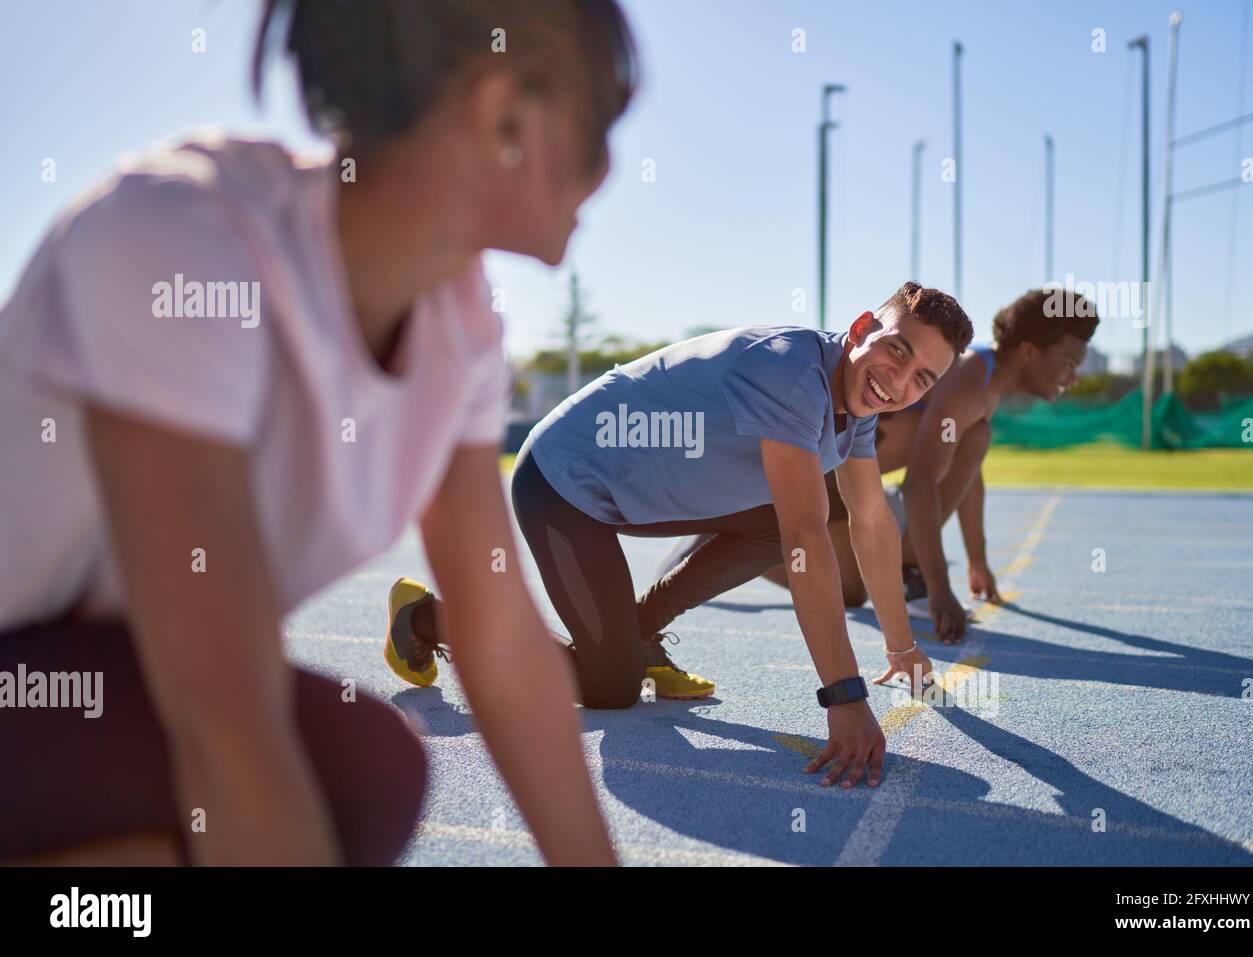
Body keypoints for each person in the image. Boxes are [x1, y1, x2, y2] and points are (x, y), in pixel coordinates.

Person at [0, 0, 637, 866]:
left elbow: (502, 644)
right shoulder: (180, 238)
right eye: (600, 130)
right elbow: (223, 722)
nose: (608, 171)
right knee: (265, 778)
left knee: (370, 771)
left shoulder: (459, 322)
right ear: (504, 116)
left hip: (87, 688)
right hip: (33, 679)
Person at [388, 283, 973, 790]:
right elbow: (806, 539)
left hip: (636, 494)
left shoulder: (860, 407)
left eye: (922, 377)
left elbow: (870, 521)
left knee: (781, 519)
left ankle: (638, 630)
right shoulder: (792, 370)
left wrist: (901, 649)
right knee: (610, 688)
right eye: (897, 351)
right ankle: (425, 618)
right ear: (863, 328)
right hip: (564, 480)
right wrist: (844, 697)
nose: (898, 382)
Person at [758, 287, 1099, 643]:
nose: (1072, 378)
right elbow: (920, 483)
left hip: (844, 494)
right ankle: (909, 572)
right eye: (1069, 364)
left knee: (851, 591)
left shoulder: (986, 388)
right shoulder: (969, 376)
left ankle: (740, 546)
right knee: (975, 437)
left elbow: (969, 477)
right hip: (818, 480)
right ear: (1029, 351)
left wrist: (977, 561)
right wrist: (938, 587)